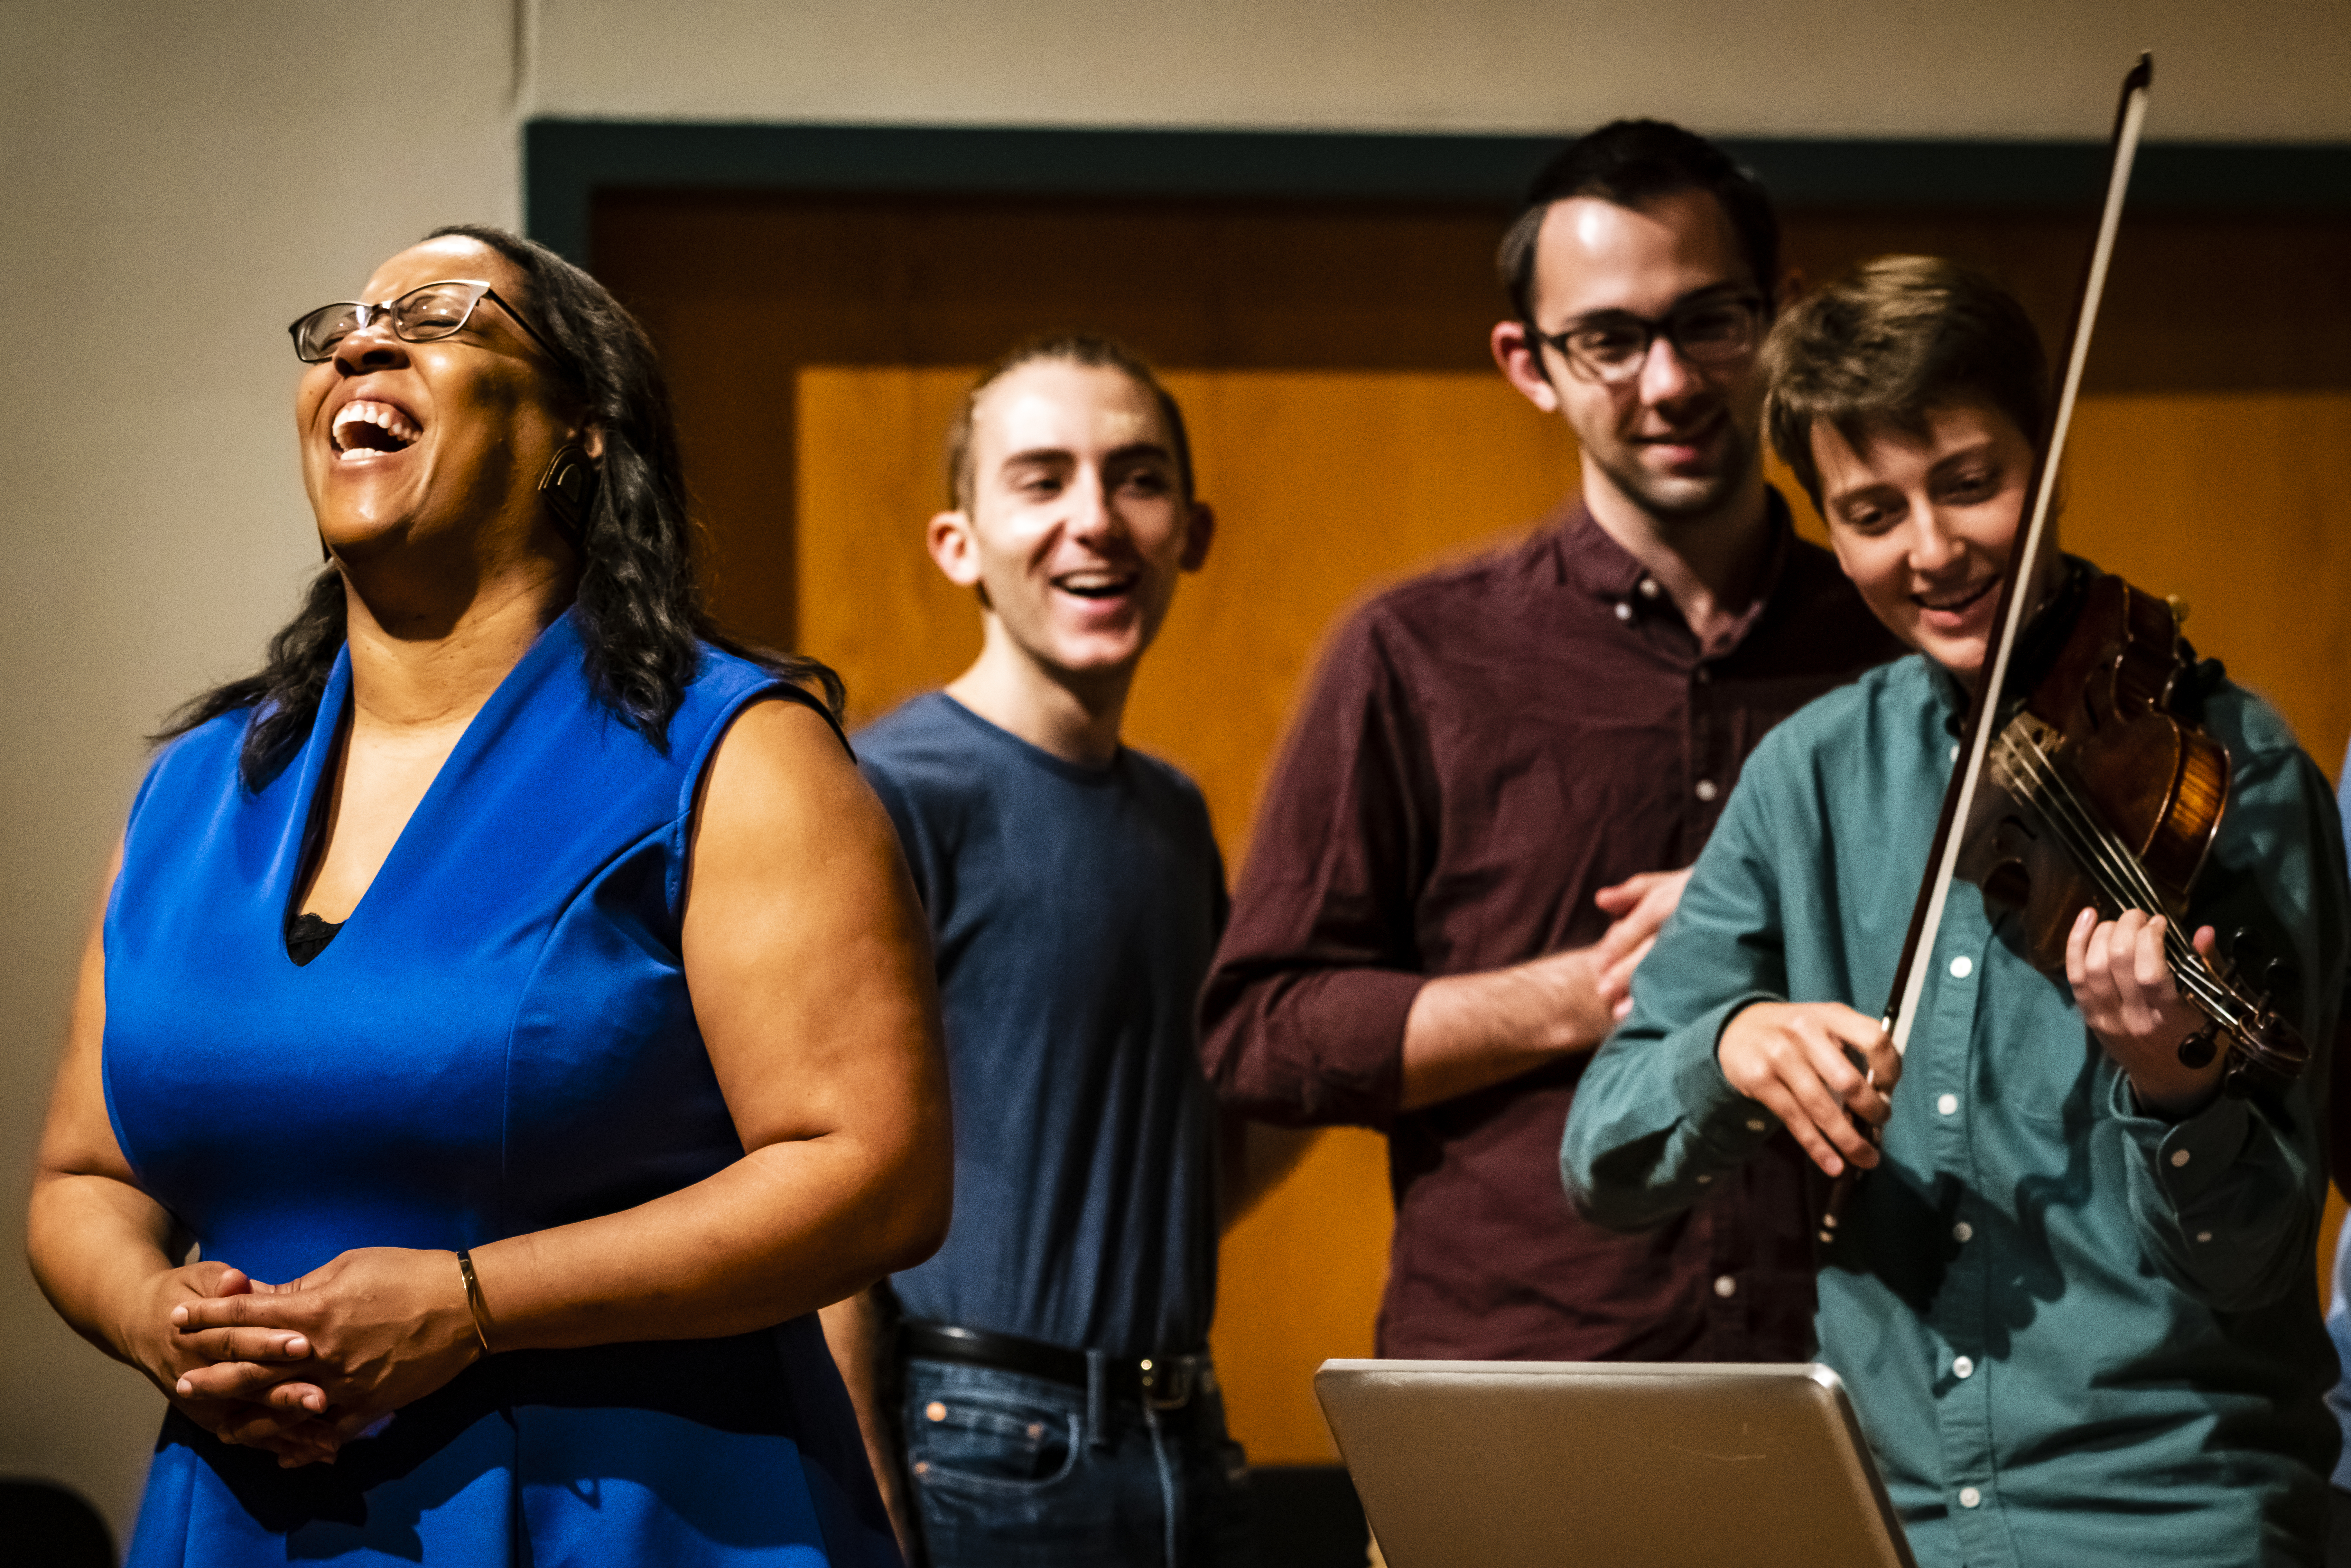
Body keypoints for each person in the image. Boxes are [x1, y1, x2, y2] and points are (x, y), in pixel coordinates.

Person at [26, 225, 952, 1566]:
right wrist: (155, 1321)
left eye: (441, 316)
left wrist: (473, 1306)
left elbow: (874, 1178)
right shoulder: (191, 791)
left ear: (580, 430)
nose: (365, 338)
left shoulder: (726, 753)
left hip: (632, 1516)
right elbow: (81, 1177)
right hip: (246, 1514)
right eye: (343, 324)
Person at [1563, 255, 2347, 1565]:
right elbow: (1605, 1161)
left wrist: (2178, 1095)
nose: (1930, 551)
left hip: (2170, 1524)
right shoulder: (1810, 776)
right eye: (1870, 511)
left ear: (2050, 458)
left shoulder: (2233, 767)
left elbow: (2258, 1265)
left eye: (1972, 484)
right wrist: (1728, 1051)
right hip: (1887, 1527)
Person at [1199, 121, 1900, 1363]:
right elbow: (1267, 1032)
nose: (1671, 382)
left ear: (1781, 321)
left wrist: (1788, 924)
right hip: (1517, 1377)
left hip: (1856, 1373)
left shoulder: (1905, 644)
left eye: (1709, 322)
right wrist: (1607, 990)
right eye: (1610, 341)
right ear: (1531, 364)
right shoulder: (1414, 652)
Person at [820, 336, 1256, 1567]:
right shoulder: (890, 794)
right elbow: (822, 1202)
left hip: (1188, 1435)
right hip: (976, 1447)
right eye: (1041, 478)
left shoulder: (1173, 813)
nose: (1095, 521)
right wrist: (868, 1523)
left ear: (1193, 530)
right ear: (958, 543)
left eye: (1136, 478)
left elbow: (1183, 1143)